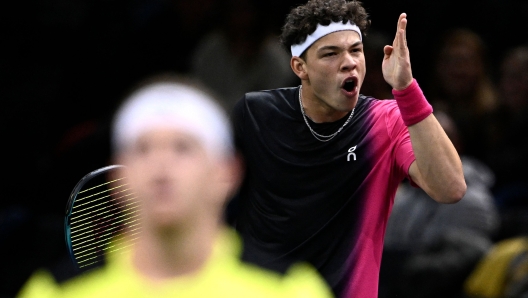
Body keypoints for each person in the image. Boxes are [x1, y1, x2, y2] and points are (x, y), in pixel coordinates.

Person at [16, 74, 333, 298]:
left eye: (183, 147)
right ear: (118, 178)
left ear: (227, 173)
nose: (161, 166)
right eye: (143, 148)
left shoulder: (291, 291)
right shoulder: (55, 292)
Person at [228, 1, 467, 297]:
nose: (349, 62)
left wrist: (406, 90)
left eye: (356, 50)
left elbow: (451, 189)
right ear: (300, 67)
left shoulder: (387, 120)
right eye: (331, 53)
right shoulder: (256, 113)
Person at [380, 111, 500, 298]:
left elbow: (467, 263)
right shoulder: (401, 199)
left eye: (433, 139)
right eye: (416, 140)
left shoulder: (474, 203)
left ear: (456, 146)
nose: (424, 147)